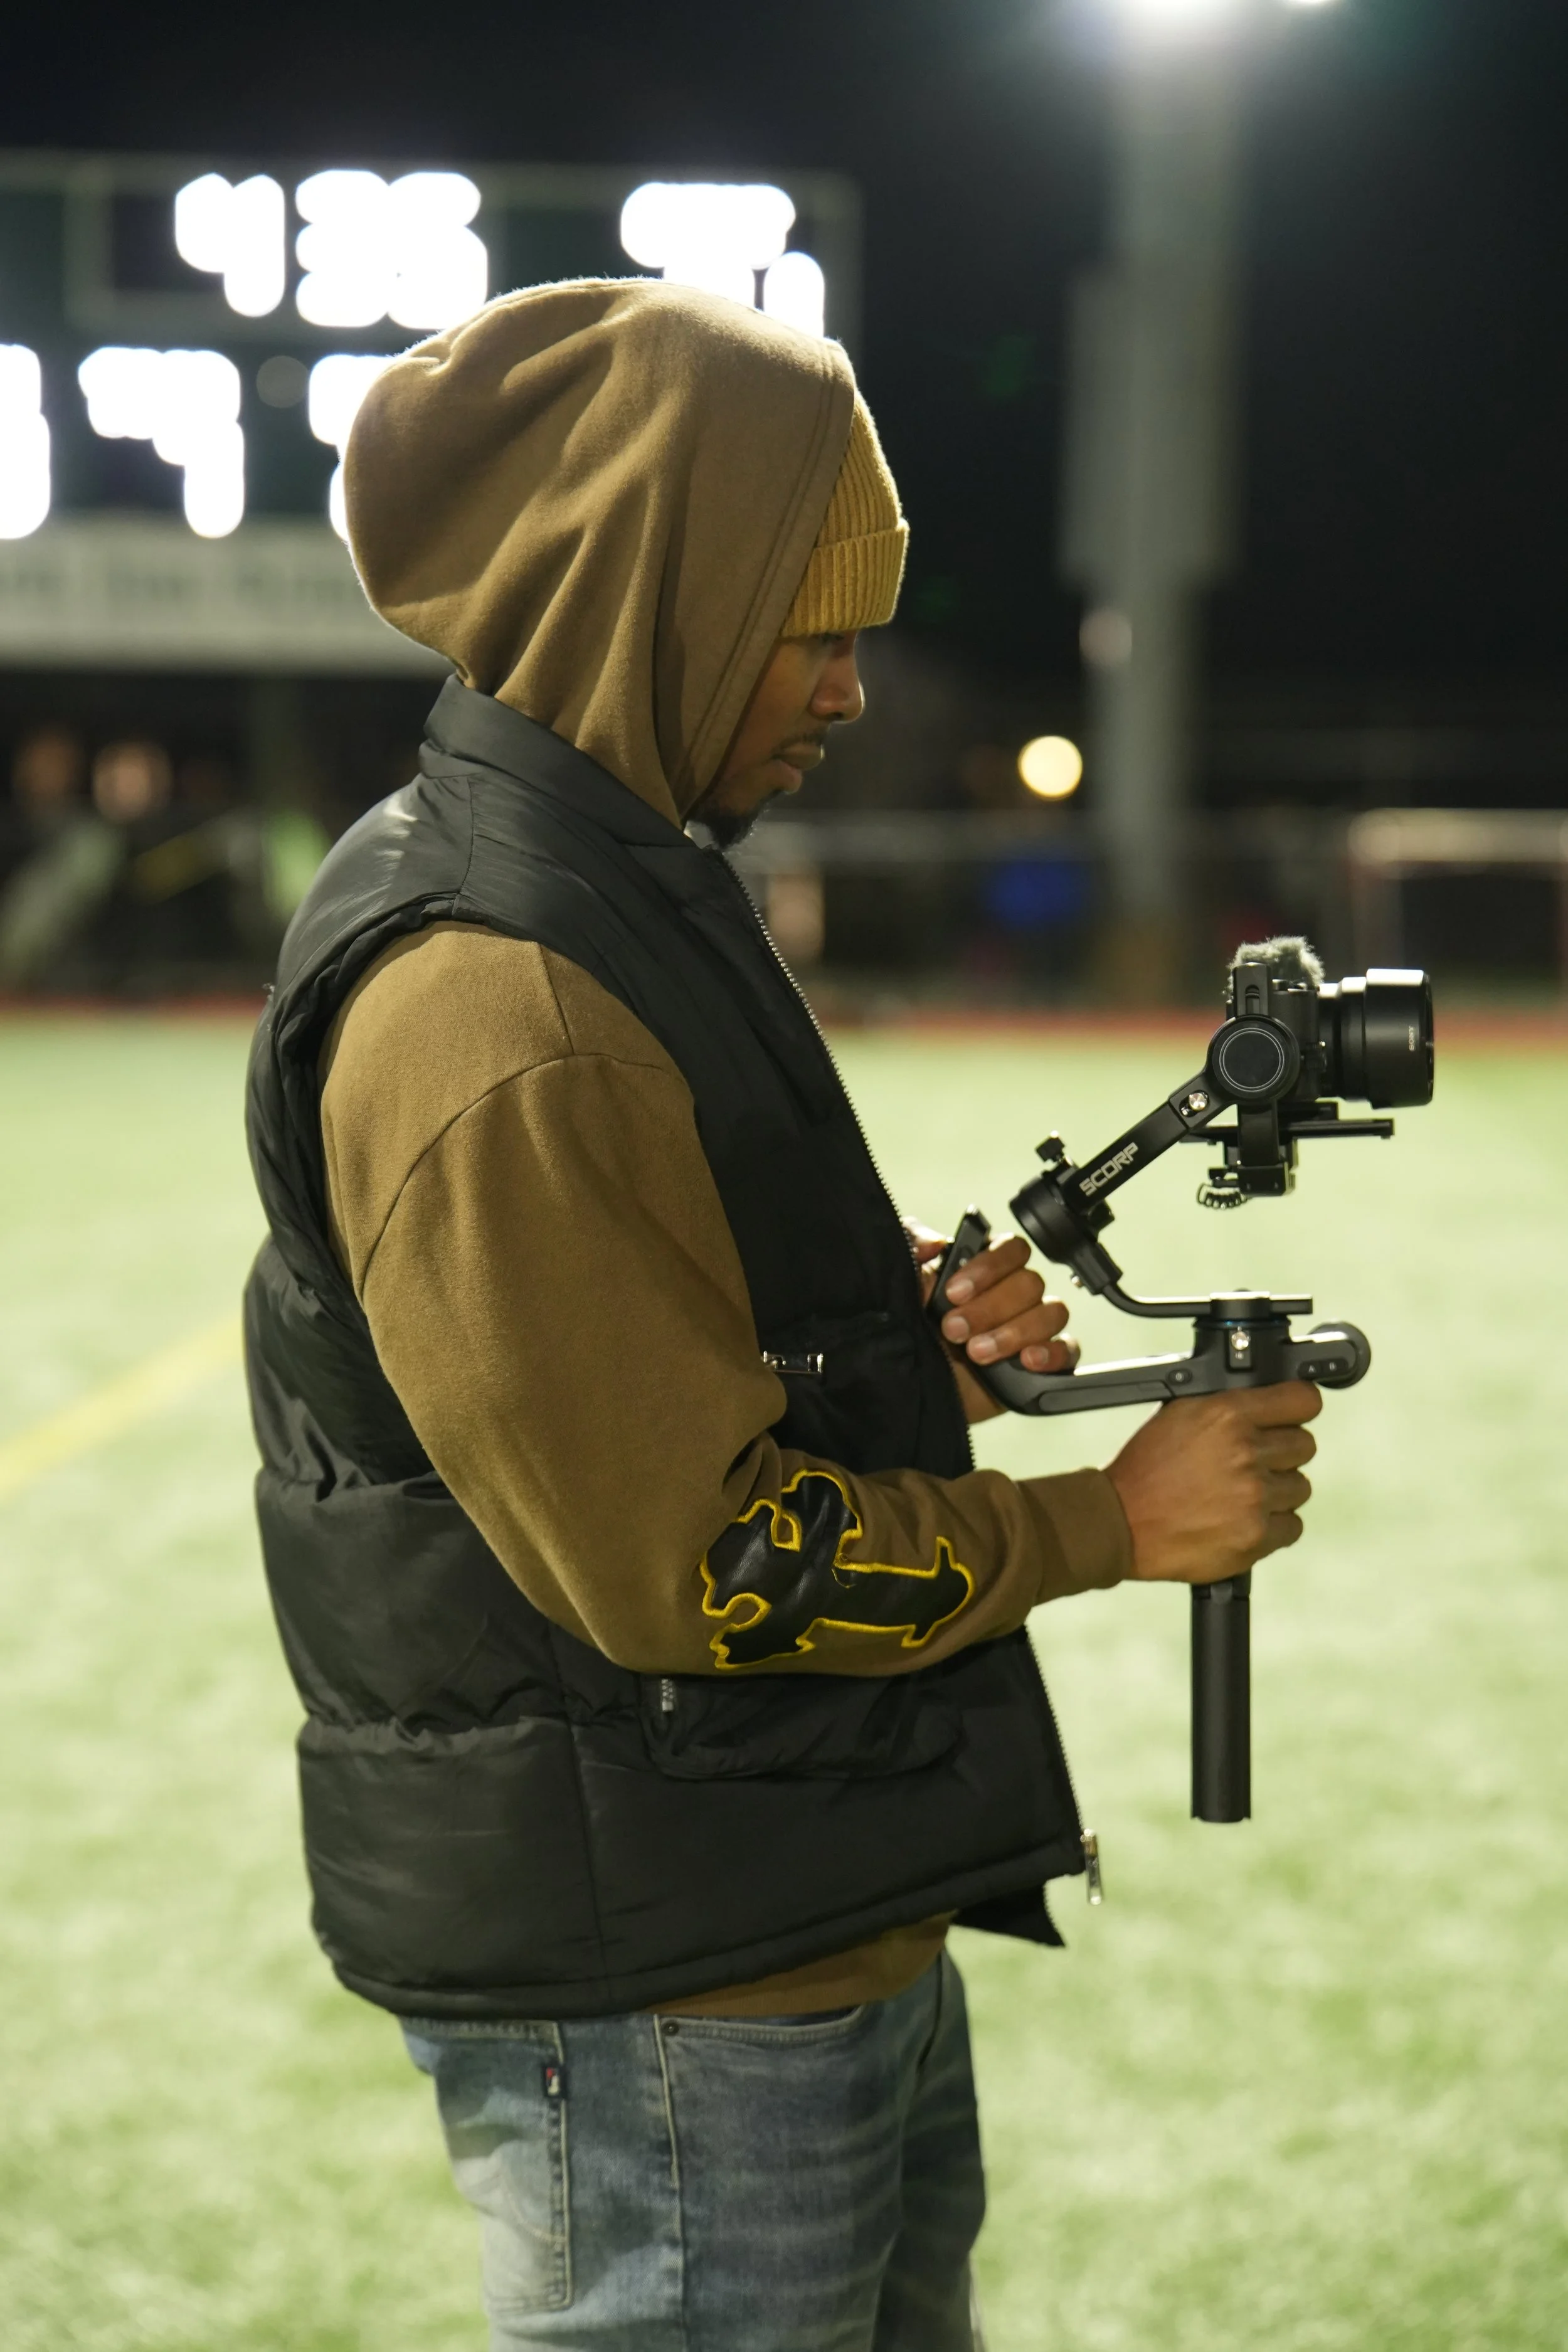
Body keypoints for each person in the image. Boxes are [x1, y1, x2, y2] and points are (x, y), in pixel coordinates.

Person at [243, 280, 1320, 2352]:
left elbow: (661, 1357)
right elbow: (695, 1561)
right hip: (677, 1984)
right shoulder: (497, 996)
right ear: (644, 598)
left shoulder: (618, 879)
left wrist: (901, 1356)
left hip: (777, 1902)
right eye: (802, 626)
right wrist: (1113, 1519)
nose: (845, 685)